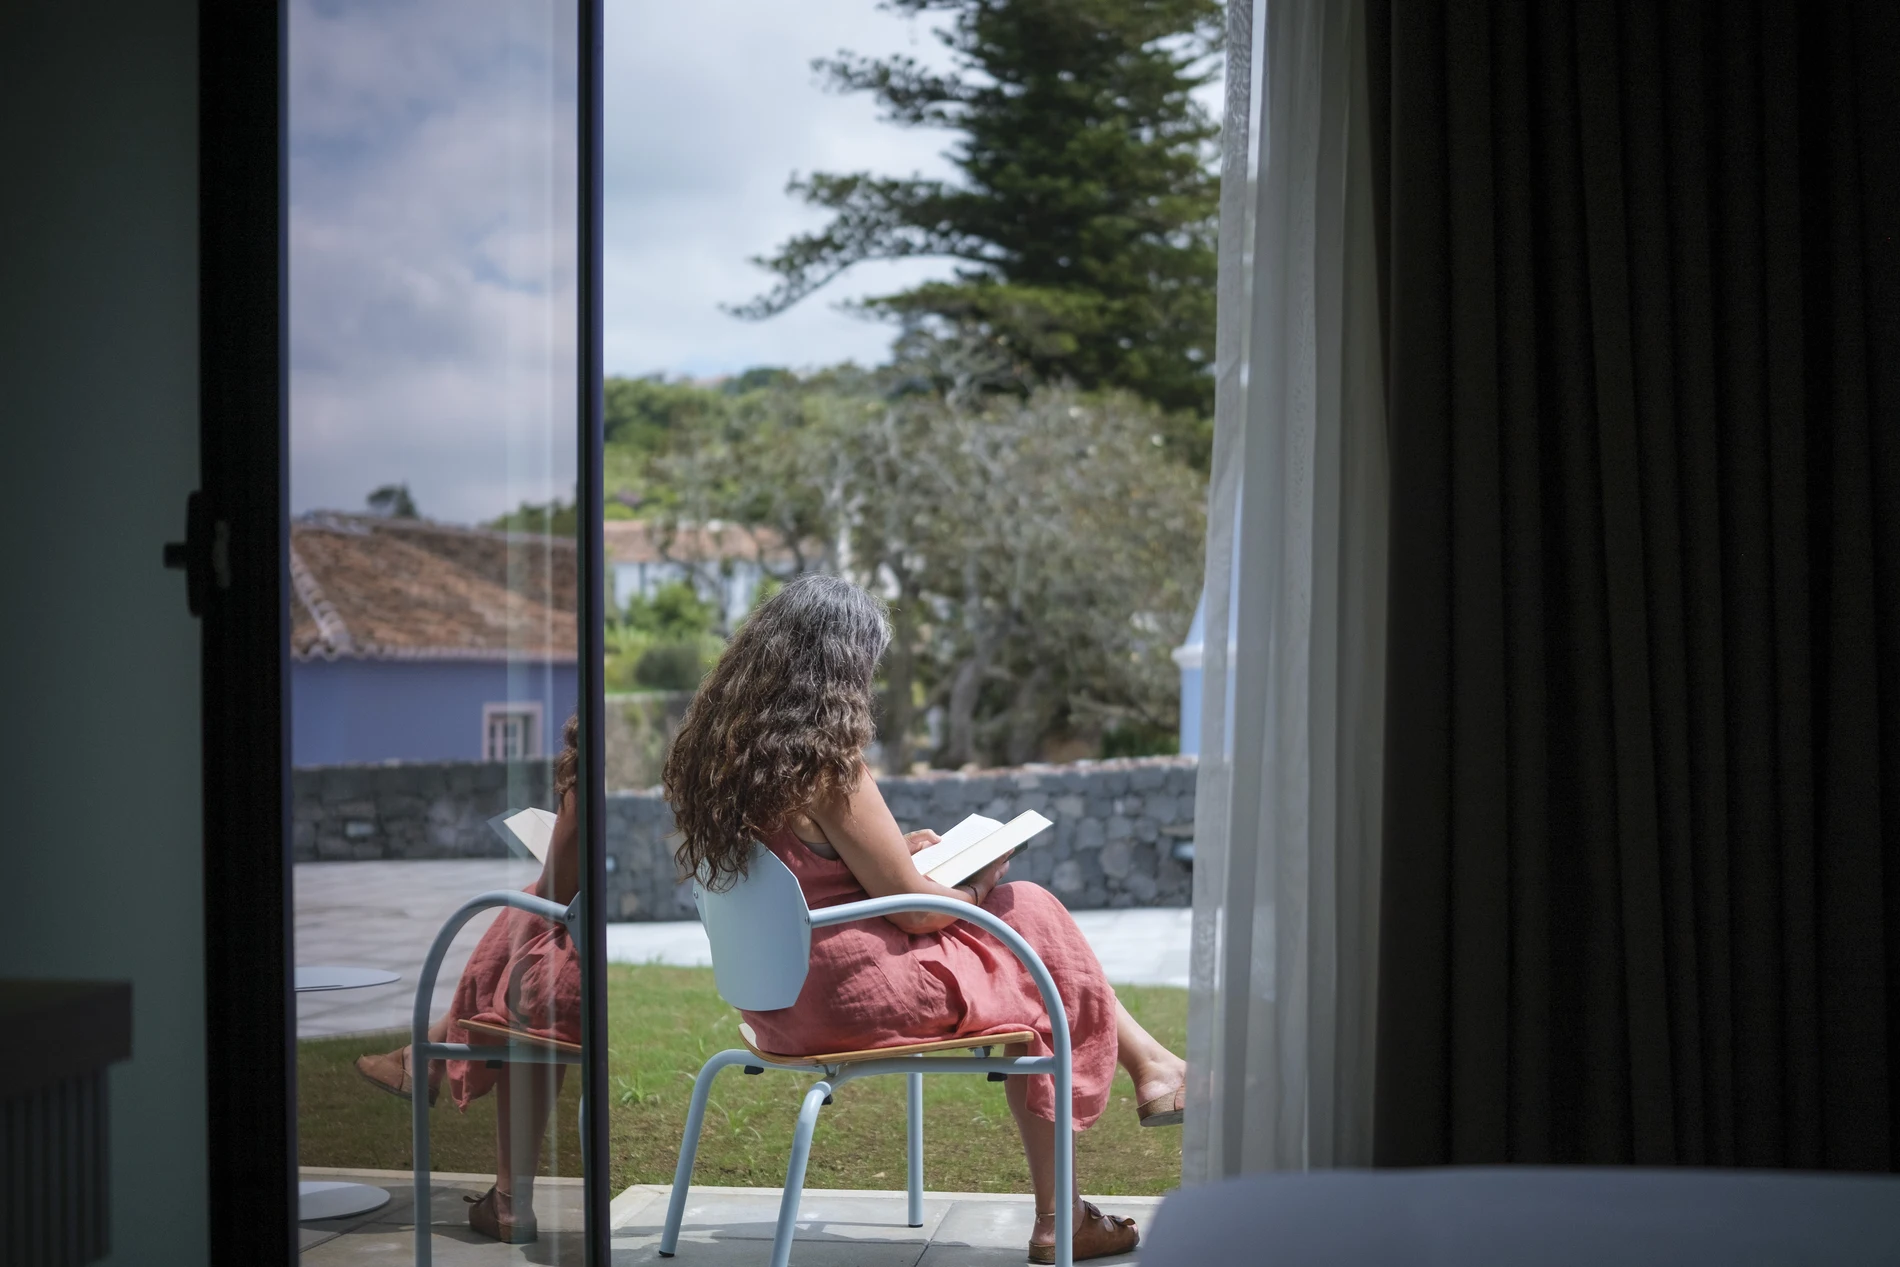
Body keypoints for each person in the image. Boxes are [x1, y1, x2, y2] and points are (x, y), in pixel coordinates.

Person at [663, 574, 1188, 1265]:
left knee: (1029, 931)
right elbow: (912, 910)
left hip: (775, 999)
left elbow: (804, 876)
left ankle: (1149, 1068)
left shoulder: (718, 765)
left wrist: (901, 857)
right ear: (837, 670)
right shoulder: (827, 765)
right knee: (1028, 912)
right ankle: (1069, 1202)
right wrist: (972, 884)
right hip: (844, 996)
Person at [353, 715, 581, 1245]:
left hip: (565, 990)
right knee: (519, 997)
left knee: (524, 948)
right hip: (582, 978)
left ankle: (423, 1057)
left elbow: (556, 885)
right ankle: (506, 1202)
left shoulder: (583, 788)